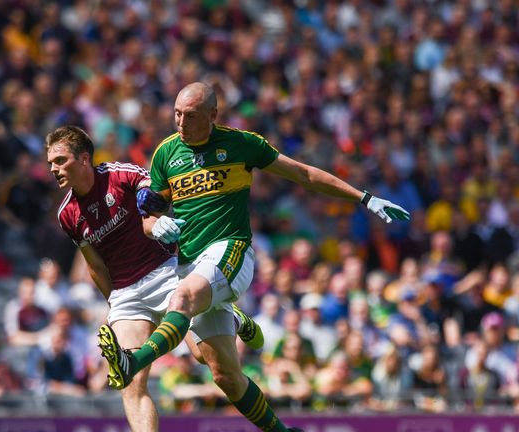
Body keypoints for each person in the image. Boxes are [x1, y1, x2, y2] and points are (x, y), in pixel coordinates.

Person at [98, 82, 410, 431]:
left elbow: (303, 173)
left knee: (181, 297)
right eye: (176, 114)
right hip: (190, 262)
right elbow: (149, 216)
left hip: (231, 250)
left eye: (190, 116)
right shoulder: (166, 154)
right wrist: (156, 227)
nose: (180, 122)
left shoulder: (242, 144)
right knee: (224, 375)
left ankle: (132, 362)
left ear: (213, 116)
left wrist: (364, 198)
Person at [46, 125, 263, 432]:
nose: (53, 169)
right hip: (125, 293)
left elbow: (157, 193)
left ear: (83, 159)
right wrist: (115, 304)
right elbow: (94, 264)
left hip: (165, 272)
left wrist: (158, 217)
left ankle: (233, 317)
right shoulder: (67, 213)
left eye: (60, 160)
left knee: (204, 357)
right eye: (51, 163)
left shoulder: (121, 175)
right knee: (132, 382)